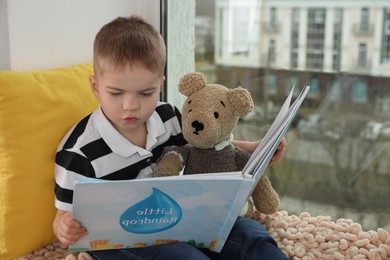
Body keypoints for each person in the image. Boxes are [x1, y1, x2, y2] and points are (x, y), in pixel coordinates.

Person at [53, 15, 288, 260]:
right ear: (95, 87)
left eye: (145, 93)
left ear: (160, 85)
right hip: (123, 240)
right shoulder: (77, 153)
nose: (130, 106)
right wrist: (63, 227)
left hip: (180, 216)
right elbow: (63, 216)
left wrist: (254, 148)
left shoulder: (167, 116)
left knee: (252, 235)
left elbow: (201, 148)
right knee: (185, 257)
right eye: (116, 93)